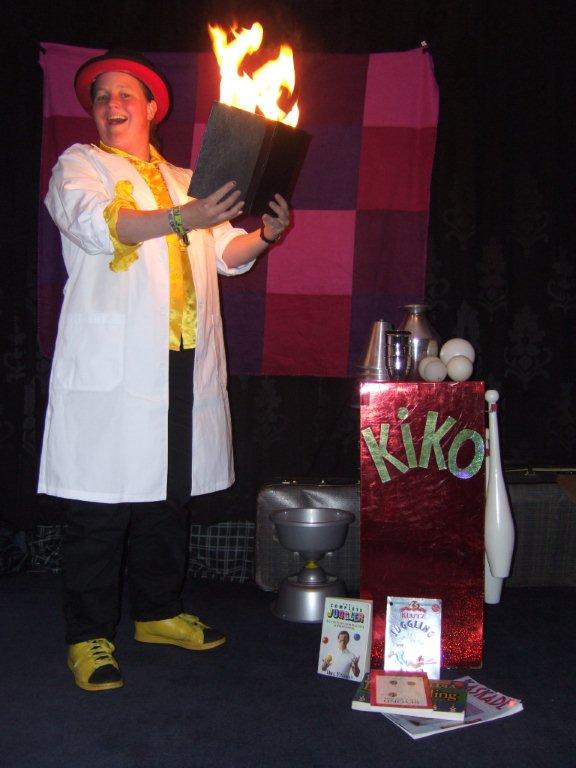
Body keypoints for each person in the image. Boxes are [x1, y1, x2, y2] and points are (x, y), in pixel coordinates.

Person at [38, 49, 290, 692]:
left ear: (152, 108)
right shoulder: (79, 166)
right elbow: (100, 226)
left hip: (181, 362)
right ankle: (88, 634)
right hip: (113, 369)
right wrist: (185, 217)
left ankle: (157, 611)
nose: (112, 105)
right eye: (101, 96)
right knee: (101, 504)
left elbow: (224, 253)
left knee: (166, 501)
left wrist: (262, 234)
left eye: (126, 95)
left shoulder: (187, 177)